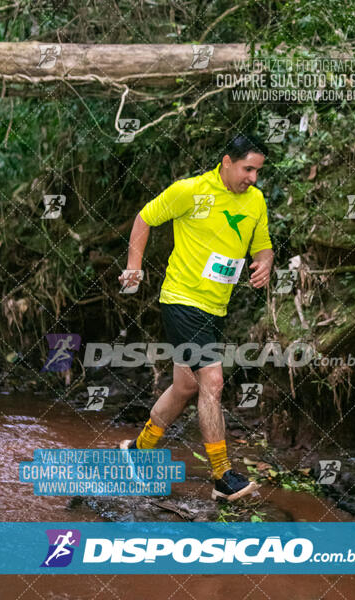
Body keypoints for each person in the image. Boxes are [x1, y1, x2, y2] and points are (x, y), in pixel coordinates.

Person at [118, 134, 274, 501]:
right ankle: (222, 476)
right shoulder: (190, 191)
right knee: (212, 380)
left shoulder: (256, 201)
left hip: (215, 307)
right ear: (226, 162)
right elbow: (145, 218)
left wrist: (264, 264)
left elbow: (263, 246)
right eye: (247, 169)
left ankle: (137, 454)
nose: (252, 177)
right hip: (181, 299)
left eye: (257, 171)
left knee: (186, 387)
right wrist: (134, 267)